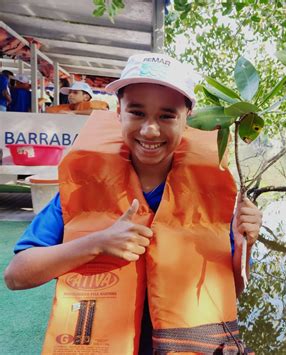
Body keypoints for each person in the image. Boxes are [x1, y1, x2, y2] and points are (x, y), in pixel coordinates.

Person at [4, 53, 262, 354]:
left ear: (187, 119)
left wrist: (248, 242)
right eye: (137, 113)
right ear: (119, 114)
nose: (150, 130)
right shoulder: (81, 190)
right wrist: (98, 243)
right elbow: (16, 275)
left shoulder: (218, 198)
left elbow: (234, 289)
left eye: (167, 116)